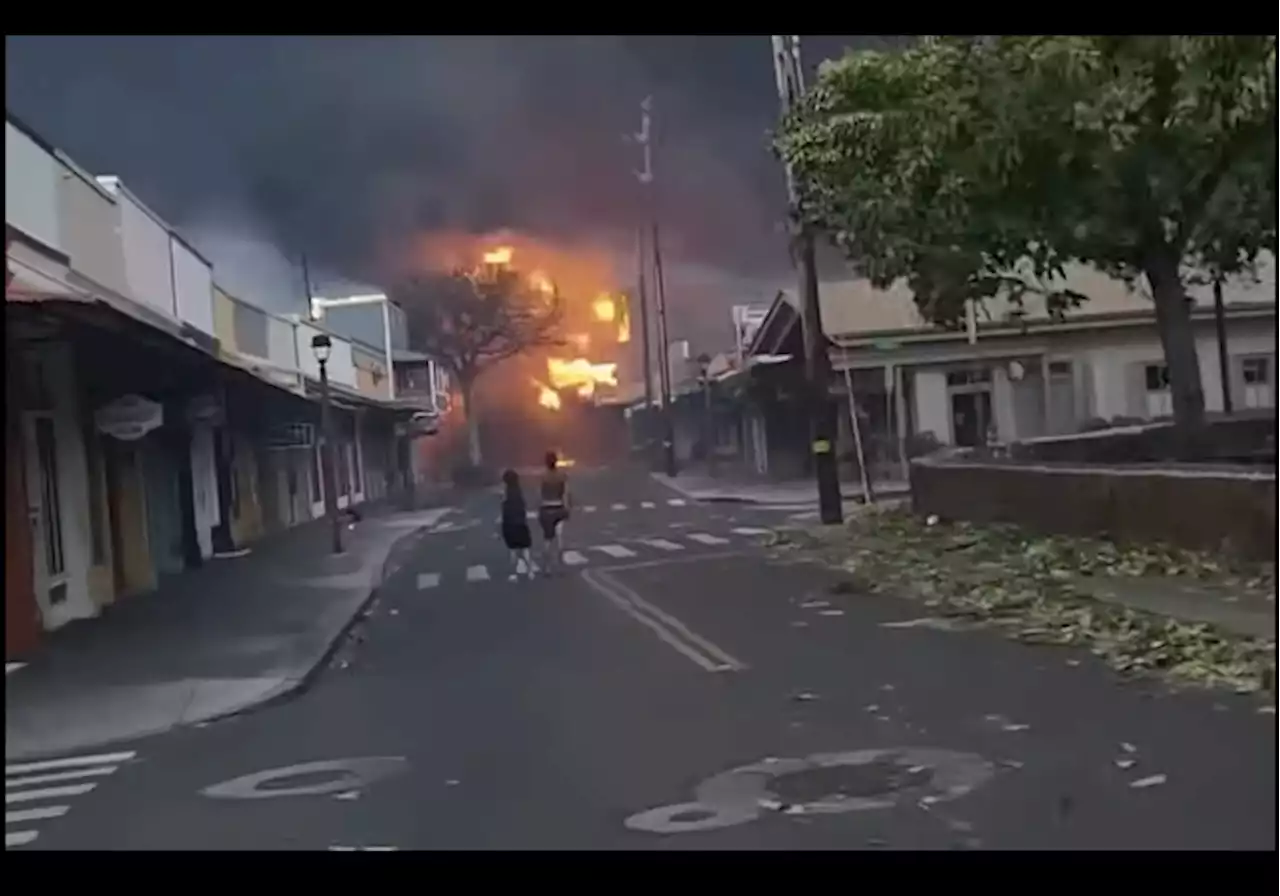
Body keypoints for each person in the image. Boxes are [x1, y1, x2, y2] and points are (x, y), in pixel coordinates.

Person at [537, 450, 570, 575]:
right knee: (560, 538)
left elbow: (539, 494)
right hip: (558, 507)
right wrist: (566, 507)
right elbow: (566, 493)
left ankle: (547, 568)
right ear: (556, 461)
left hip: (546, 508)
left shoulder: (542, 476)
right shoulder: (562, 475)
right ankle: (561, 566)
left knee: (547, 539)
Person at [499, 469, 535, 580]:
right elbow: (523, 508)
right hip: (521, 524)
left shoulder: (505, 495)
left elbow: (504, 512)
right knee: (525, 549)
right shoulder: (519, 493)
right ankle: (530, 572)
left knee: (513, 551)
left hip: (509, 525)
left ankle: (514, 573)